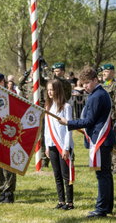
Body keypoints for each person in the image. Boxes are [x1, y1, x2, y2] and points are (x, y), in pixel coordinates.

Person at [60, 66, 115, 219]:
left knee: (102, 175)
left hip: (101, 140)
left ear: (95, 80)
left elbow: (89, 120)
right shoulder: (100, 93)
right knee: (106, 175)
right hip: (103, 139)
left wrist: (69, 123)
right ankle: (107, 206)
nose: (84, 86)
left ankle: (101, 208)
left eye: (87, 83)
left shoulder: (96, 96)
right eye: (82, 83)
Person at [44, 78, 74, 211]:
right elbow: (46, 129)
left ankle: (70, 202)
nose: (50, 92)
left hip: (63, 145)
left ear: (58, 90)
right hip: (51, 145)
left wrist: (66, 148)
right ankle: (61, 200)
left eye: (52, 89)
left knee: (65, 174)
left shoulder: (66, 107)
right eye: (48, 90)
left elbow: (69, 129)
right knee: (57, 174)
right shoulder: (48, 107)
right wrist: (46, 146)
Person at [0, 73, 17, 204]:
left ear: (2, 82)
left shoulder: (11, 96)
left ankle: (9, 193)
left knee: (7, 165)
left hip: (7, 135)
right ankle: (1, 191)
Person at [101, 63, 116, 174]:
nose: (104, 73)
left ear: (112, 72)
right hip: (104, 119)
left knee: (115, 142)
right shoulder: (102, 85)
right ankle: (108, 164)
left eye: (107, 71)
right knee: (105, 143)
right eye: (104, 71)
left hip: (113, 118)